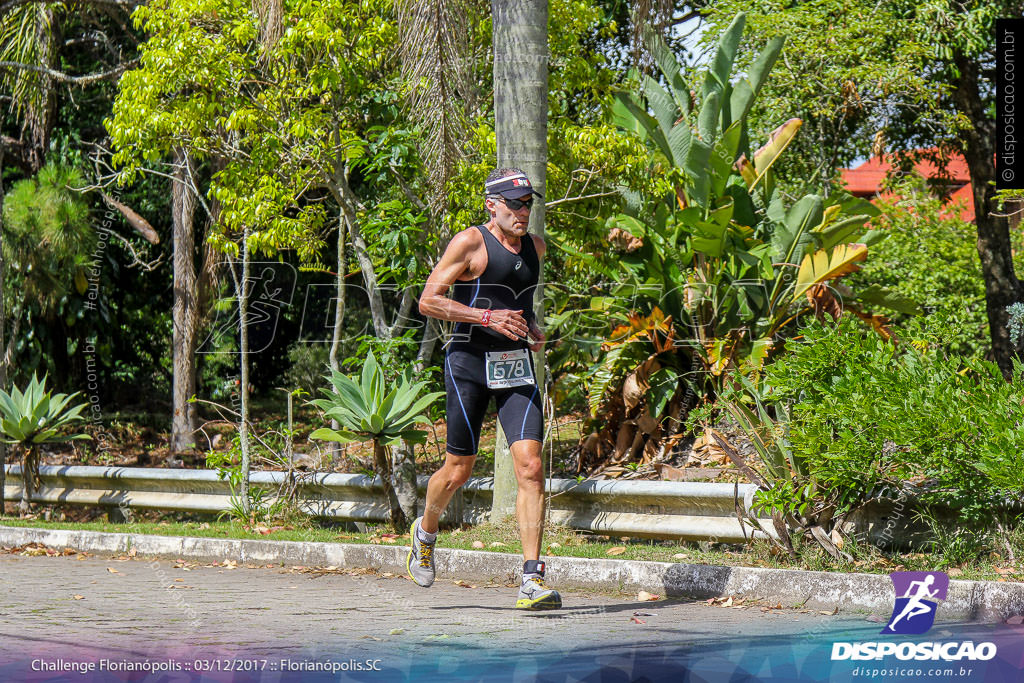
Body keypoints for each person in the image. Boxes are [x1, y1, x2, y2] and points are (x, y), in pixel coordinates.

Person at [408, 167, 560, 610]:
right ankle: (426, 532)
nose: (522, 212)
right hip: (468, 363)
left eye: (528, 203)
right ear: (491, 205)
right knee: (459, 470)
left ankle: (531, 580)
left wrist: (530, 327)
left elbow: (519, 303)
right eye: (514, 204)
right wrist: (487, 319)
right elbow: (428, 299)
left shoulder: (535, 248)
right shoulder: (470, 242)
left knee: (530, 466)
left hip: (515, 365)